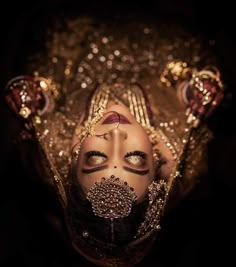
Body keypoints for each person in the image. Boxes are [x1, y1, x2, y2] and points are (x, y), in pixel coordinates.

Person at [1, 4, 232, 267]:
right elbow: (186, 83)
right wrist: (193, 92)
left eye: (95, 156)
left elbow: (48, 98)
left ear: (73, 157)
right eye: (134, 158)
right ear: (157, 160)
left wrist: (37, 96)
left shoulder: (55, 148)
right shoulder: (181, 150)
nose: (115, 136)